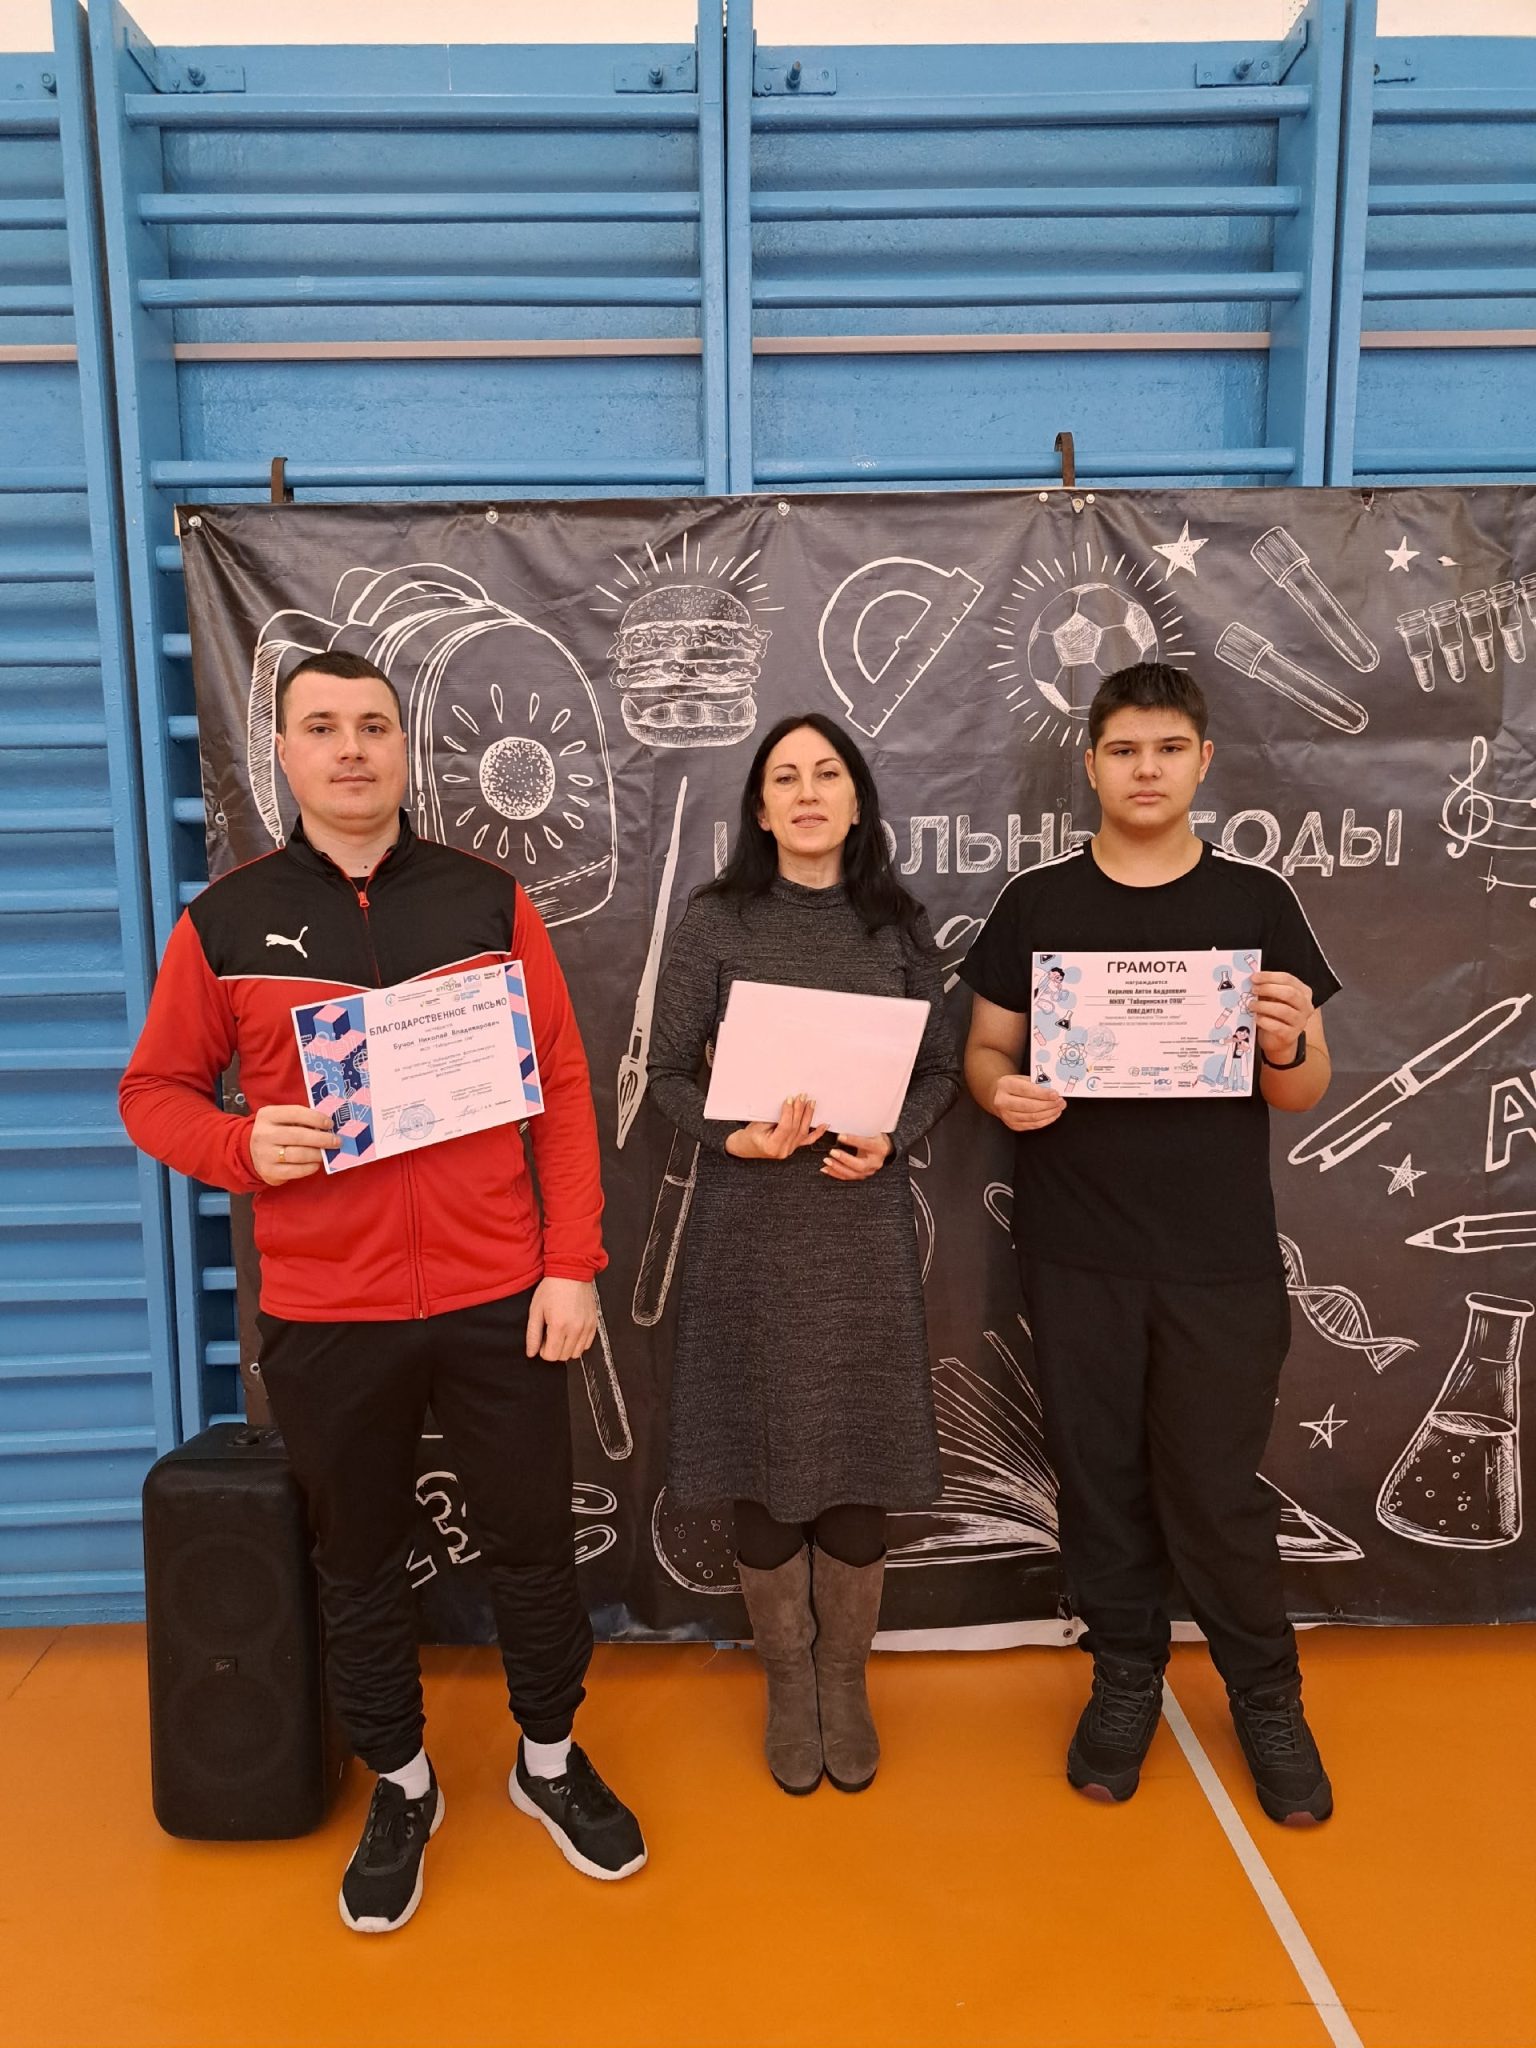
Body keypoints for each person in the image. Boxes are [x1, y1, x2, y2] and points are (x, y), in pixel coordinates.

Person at [120, 650, 645, 1932]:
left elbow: (564, 1091)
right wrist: (240, 1143)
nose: (350, 747)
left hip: (498, 1294)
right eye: (322, 726)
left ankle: (548, 1759)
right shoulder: (225, 922)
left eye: (372, 724)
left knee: (532, 1543)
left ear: (405, 749)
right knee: (356, 1559)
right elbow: (152, 1094)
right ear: (284, 753)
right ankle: (403, 1783)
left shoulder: (486, 901)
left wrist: (568, 1260)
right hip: (327, 1310)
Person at [961, 661, 1339, 1827]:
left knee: (1217, 1490)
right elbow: (985, 1052)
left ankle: (1267, 1695)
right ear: (1090, 762)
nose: (1145, 769)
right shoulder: (1038, 901)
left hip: (1219, 1257)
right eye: (1124, 749)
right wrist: (1002, 1090)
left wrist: (1288, 1041)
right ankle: (1125, 1672)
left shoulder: (1257, 900)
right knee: (1100, 1481)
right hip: (1075, 1252)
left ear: (1202, 761)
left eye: (1168, 748)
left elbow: (1303, 1088)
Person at [647, 713, 960, 1795]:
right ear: (761, 807)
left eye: (828, 773)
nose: (808, 791)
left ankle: (842, 1677)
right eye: (785, 777)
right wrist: (731, 1136)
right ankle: (788, 1679)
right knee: (761, 1455)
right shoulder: (714, 920)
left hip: (859, 1227)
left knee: (858, 1455)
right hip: (750, 1227)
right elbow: (665, 1076)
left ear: (858, 800)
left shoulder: (898, 926)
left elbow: (941, 1070)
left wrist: (895, 1136)